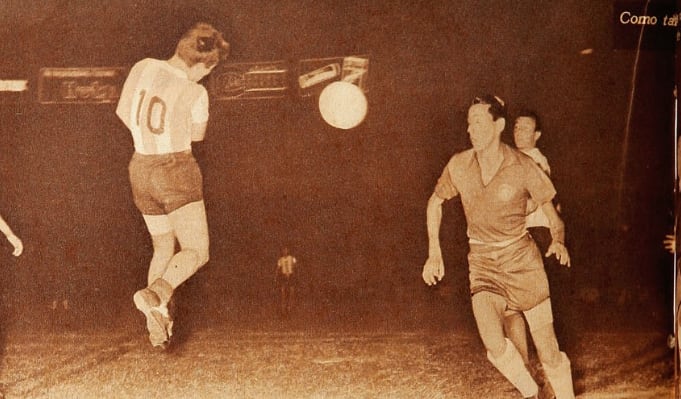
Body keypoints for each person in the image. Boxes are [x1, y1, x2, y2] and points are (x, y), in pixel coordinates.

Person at [422, 94, 574, 399]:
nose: (470, 129)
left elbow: (554, 219)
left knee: (548, 351)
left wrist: (558, 241)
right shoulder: (459, 164)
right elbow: (435, 202)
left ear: (498, 125)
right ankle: (534, 394)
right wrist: (434, 253)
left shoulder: (523, 165)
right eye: (468, 123)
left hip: (523, 263)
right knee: (493, 343)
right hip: (483, 264)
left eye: (478, 122)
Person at [115, 22, 229, 349]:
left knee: (163, 247)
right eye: (210, 69)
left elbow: (125, 113)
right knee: (197, 250)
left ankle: (158, 314)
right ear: (205, 64)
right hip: (176, 169)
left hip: (139, 167)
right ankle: (158, 293)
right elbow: (197, 136)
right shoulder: (196, 92)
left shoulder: (143, 67)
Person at [276, 247, 297, 317]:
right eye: (283, 250)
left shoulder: (291, 258)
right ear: (282, 251)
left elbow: (295, 265)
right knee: (283, 293)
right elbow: (278, 268)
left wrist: (293, 273)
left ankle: (290, 308)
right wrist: (276, 277)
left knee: (291, 292)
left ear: (288, 251)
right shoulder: (280, 259)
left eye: (286, 250)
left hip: (290, 275)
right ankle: (283, 311)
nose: (285, 251)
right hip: (283, 276)